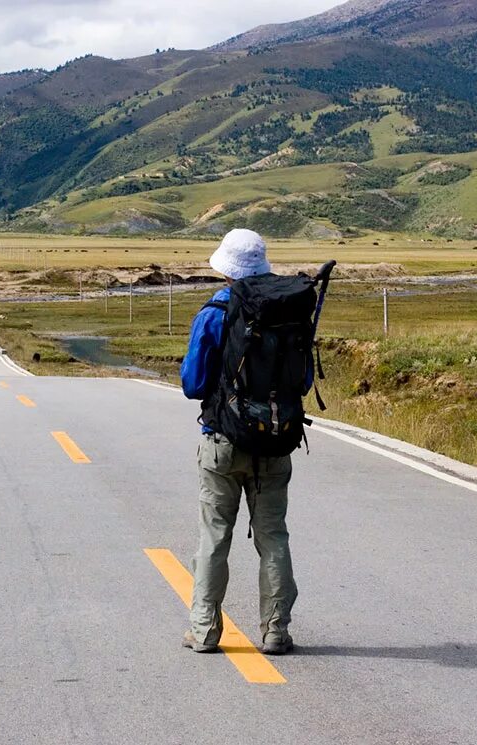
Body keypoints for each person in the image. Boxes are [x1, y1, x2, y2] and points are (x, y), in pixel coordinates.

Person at [179, 229, 297, 656]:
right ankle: (276, 631)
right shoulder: (287, 313)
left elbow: (192, 385)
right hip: (276, 440)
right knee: (273, 537)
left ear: (225, 269)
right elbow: (300, 381)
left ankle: (205, 630)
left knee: (214, 536)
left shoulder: (213, 313)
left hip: (222, 442)